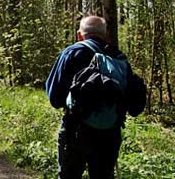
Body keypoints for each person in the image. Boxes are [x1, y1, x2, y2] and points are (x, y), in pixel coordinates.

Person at [45, 15, 146, 179]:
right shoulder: (118, 57)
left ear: (80, 35)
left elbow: (55, 98)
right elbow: (131, 99)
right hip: (110, 132)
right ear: (105, 35)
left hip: (75, 129)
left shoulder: (71, 53)